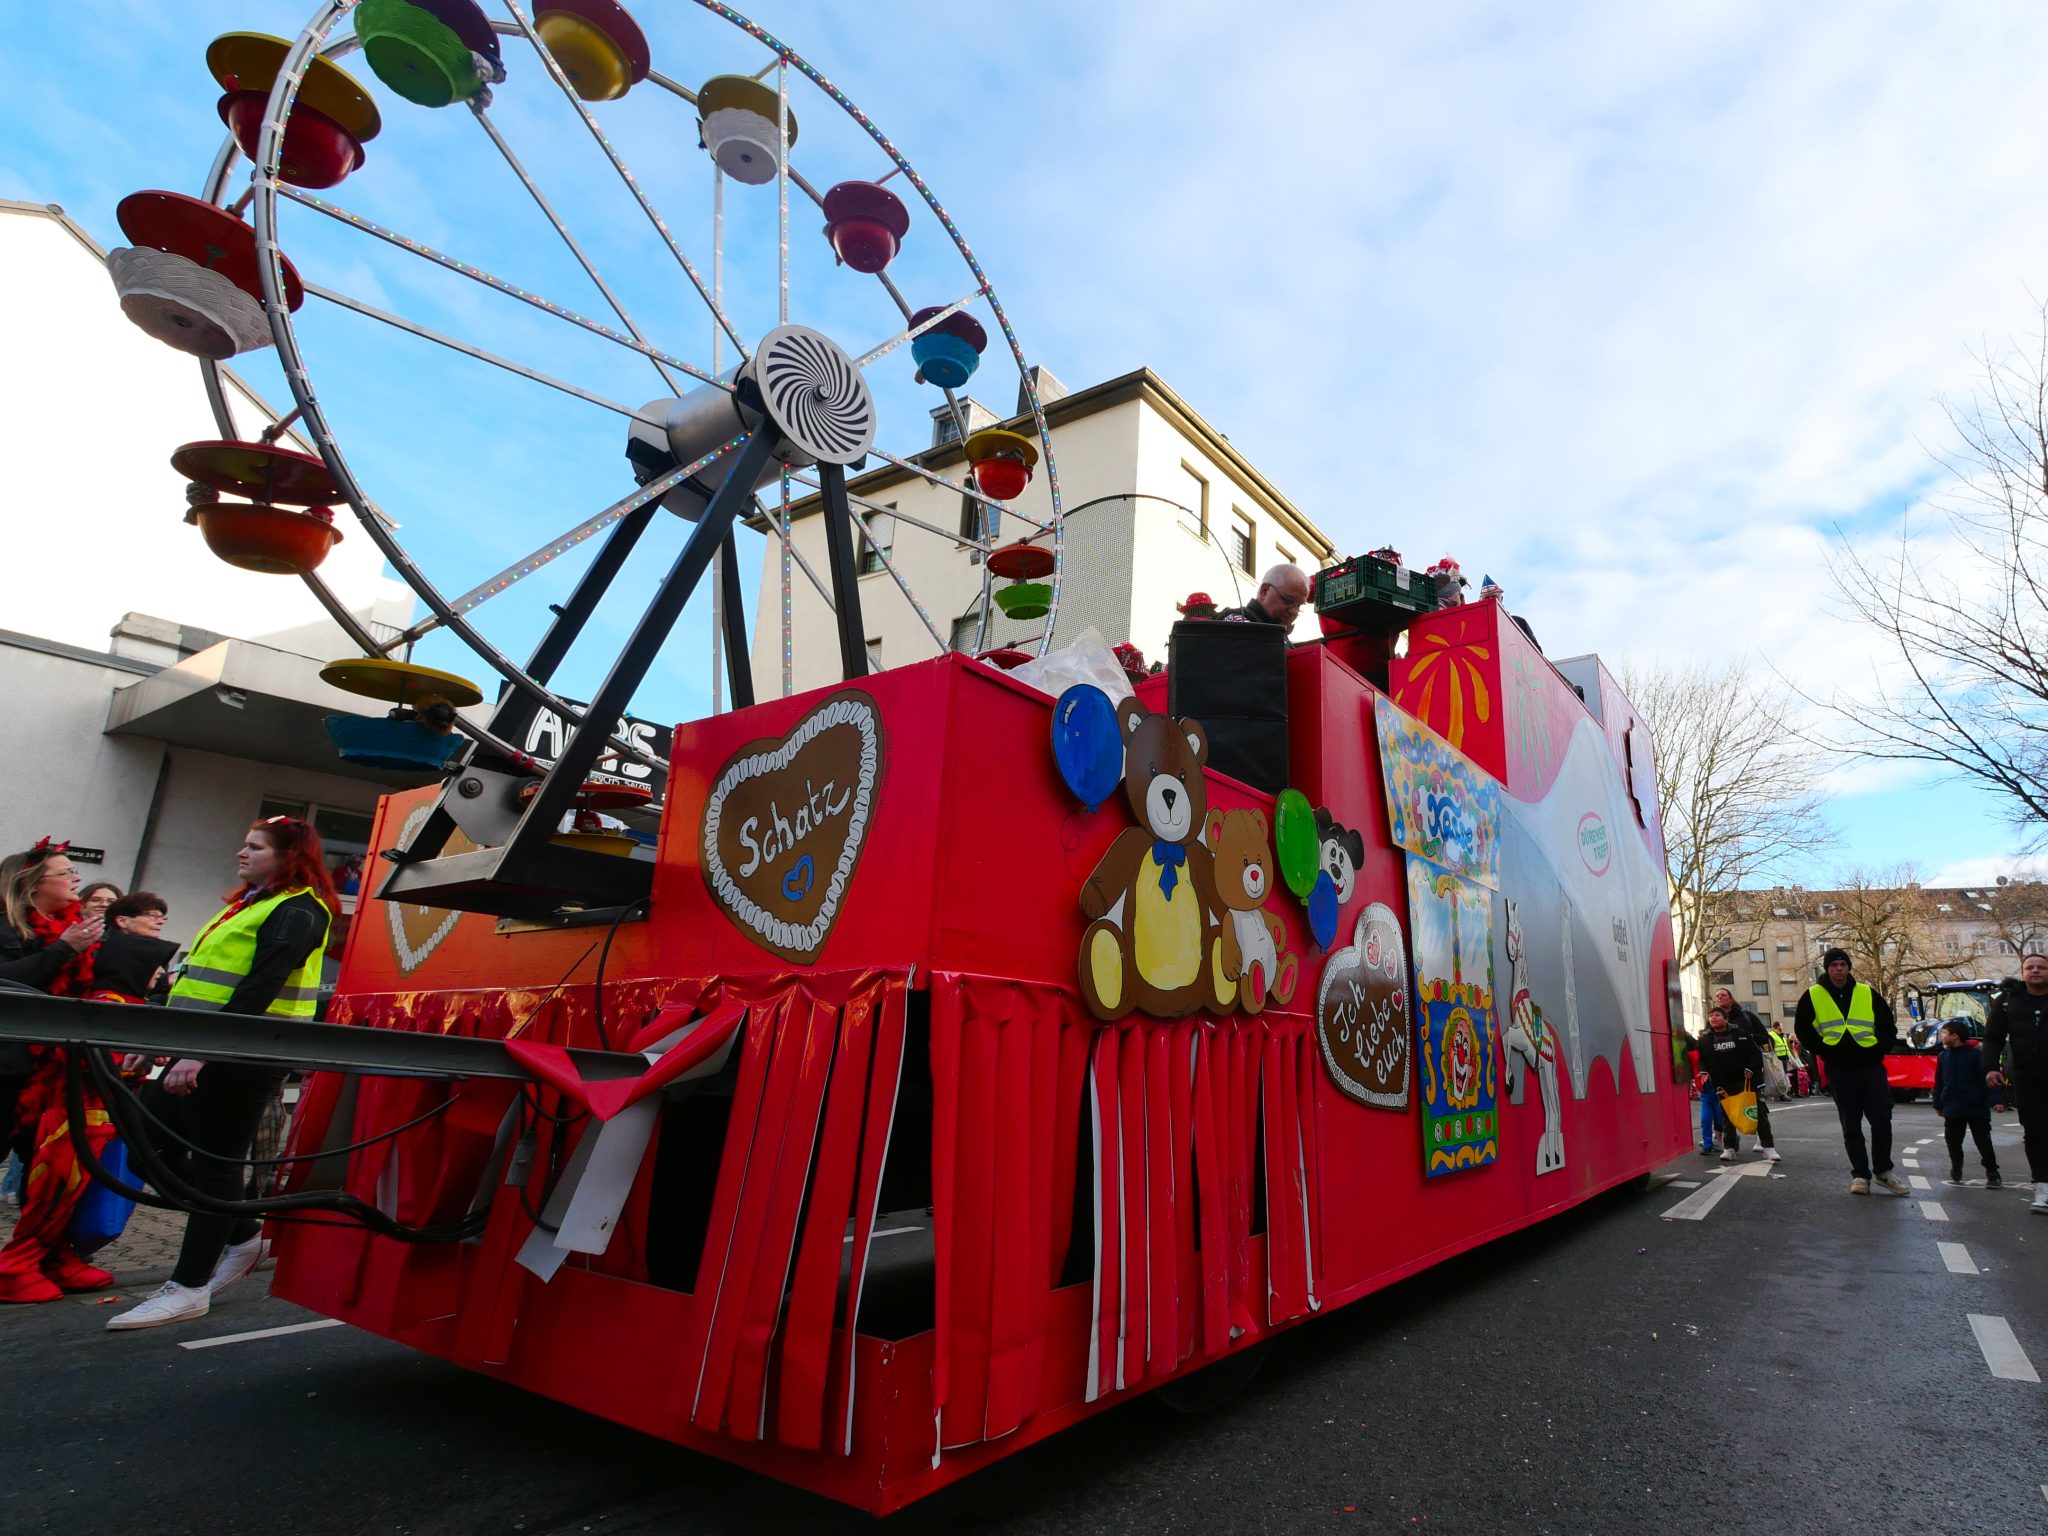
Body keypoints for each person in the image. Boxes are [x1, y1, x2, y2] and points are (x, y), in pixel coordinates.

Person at [106, 817, 339, 1330]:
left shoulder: (298, 910)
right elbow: (198, 984)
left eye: (255, 846)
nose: (242, 852)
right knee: (149, 1147)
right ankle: (241, 1231)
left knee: (216, 1166)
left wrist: (201, 1051)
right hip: (204, 1048)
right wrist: (165, 1043)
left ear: (288, 855)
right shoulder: (253, 903)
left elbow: (260, 987)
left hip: (242, 1056)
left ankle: (189, 1286)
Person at [0, 839, 115, 1302]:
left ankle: (43, 1253)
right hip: (7, 1067)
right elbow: (9, 984)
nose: (74, 881)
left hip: (52, 1069)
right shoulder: (6, 927)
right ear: (31, 884)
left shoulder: (71, 926)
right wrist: (63, 950)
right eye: (64, 873)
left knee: (50, 1169)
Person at [1795, 947, 1908, 1196]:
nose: (1839, 969)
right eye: (1834, 964)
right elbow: (1803, 1029)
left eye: (1843, 964)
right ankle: (1860, 1175)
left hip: (1870, 1066)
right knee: (1851, 1124)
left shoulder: (1866, 992)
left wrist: (1878, 1050)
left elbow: (1887, 1024)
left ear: (1849, 967)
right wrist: (1824, 1050)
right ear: (1827, 968)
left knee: (1881, 1119)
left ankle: (1883, 1171)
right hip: (1840, 1068)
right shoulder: (1813, 995)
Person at [1984, 952, 2048, 1214]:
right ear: (2022, 973)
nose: (2035, 971)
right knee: (2035, 1132)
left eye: (2041, 967)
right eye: (2029, 967)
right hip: (2026, 1076)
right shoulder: (2009, 1001)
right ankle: (2042, 1188)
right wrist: (1990, 1068)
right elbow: (1992, 1037)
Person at [1697, 1006, 1780, 1162]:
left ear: (1726, 1019)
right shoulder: (1705, 1040)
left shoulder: (1741, 1034)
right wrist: (1703, 1071)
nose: (1713, 1018)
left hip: (1747, 1081)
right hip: (1723, 1084)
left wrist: (1750, 1067)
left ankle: (1768, 1148)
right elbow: (1703, 1060)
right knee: (1727, 1116)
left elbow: (1755, 1053)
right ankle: (1729, 1148)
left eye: (1717, 1015)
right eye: (1710, 1016)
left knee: (1759, 1113)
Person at [1932, 1022, 2000, 1187]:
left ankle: (1992, 1172)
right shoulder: (1943, 1056)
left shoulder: (1975, 1055)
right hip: (1952, 1107)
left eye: (1944, 1033)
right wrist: (1938, 1103)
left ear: (1955, 1036)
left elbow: (1986, 1080)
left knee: (1983, 1142)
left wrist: (1996, 1100)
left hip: (1975, 1106)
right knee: (1953, 1141)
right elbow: (1939, 1081)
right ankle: (1956, 1164)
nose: (1942, 1036)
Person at [87, 891, 176, 1005]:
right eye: (153, 916)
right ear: (122, 921)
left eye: (163, 917)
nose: (160, 922)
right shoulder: (98, 947)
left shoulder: (152, 951)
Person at [1222, 563, 1311, 634]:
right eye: (1288, 600)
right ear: (1264, 591)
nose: (1294, 611)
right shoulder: (1239, 624)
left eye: (1299, 606)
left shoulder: (1275, 633)